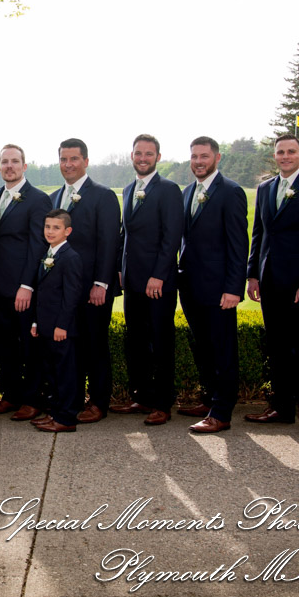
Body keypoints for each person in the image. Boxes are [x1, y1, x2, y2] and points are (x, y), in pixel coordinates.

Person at [245, 135, 299, 438]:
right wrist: (253, 274)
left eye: (290, 152)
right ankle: (281, 409)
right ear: (275, 156)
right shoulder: (266, 188)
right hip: (270, 282)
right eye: (280, 152)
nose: (285, 156)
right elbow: (259, 234)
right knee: (278, 347)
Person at [111, 134, 184, 425]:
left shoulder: (168, 190)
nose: (143, 158)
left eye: (148, 154)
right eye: (138, 153)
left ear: (158, 157)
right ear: (131, 156)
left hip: (158, 283)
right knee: (136, 341)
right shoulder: (129, 189)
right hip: (132, 281)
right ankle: (141, 397)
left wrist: (158, 275)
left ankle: (163, 404)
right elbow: (125, 234)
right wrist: (119, 267)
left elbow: (172, 237)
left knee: (161, 342)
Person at [177, 136, 249, 434]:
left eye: (204, 156)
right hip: (191, 286)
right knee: (202, 347)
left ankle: (221, 412)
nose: (198, 161)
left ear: (217, 158)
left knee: (222, 349)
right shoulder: (187, 192)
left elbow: (237, 244)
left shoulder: (230, 192)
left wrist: (233, 288)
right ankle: (209, 398)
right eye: (194, 156)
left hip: (220, 289)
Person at [50, 138, 121, 423]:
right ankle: (73, 400)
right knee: (71, 346)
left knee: (95, 345)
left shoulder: (103, 196)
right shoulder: (55, 197)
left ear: (86, 161)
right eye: (64, 159)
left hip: (93, 287)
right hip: (65, 290)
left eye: (74, 159)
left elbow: (109, 243)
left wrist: (101, 284)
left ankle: (99, 403)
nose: (68, 165)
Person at [0, 144, 51, 421]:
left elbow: (38, 246)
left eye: (15, 161)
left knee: (30, 344)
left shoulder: (38, 199)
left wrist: (27, 285)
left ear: (25, 166)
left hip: (24, 288)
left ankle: (33, 399)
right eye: (4, 162)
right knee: (4, 343)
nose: (9, 166)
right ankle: (11, 395)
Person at [30, 210, 86, 432]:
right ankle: (54, 413)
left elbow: (71, 296)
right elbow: (41, 292)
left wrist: (62, 325)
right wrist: (36, 322)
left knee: (65, 374)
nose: (50, 231)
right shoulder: (48, 254)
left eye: (56, 227)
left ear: (67, 231)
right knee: (51, 373)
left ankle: (66, 418)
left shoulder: (71, 257)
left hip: (61, 328)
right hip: (45, 325)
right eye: (47, 227)